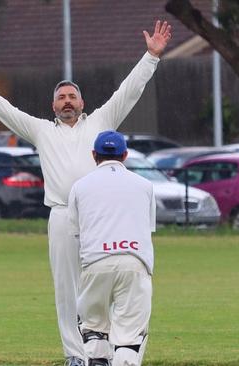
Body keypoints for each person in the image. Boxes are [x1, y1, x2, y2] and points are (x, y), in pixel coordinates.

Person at [0, 20, 171, 365]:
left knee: (105, 281)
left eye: (72, 96)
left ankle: (108, 350)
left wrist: (151, 57)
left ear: (82, 102)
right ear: (53, 105)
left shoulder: (101, 121)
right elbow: (5, 111)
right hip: (62, 214)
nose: (67, 102)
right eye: (61, 98)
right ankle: (75, 354)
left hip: (99, 215)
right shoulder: (41, 131)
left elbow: (129, 91)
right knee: (67, 288)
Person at [67, 131, 155, 366]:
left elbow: (76, 233)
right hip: (135, 262)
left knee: (94, 330)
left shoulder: (79, 187)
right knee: (128, 338)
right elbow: (147, 228)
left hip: (95, 263)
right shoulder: (145, 186)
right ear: (125, 155)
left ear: (94, 155)